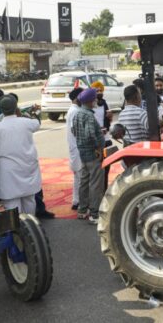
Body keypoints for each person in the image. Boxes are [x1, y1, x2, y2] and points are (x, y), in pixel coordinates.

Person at [0, 96, 42, 214]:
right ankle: (31, 227)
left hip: (9, 173)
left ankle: (17, 231)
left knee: (12, 206)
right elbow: (37, 123)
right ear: (16, 108)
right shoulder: (27, 123)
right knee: (29, 201)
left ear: (0, 109)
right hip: (28, 168)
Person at [72, 88, 106, 223]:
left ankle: (82, 210)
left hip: (83, 152)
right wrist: (98, 147)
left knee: (84, 181)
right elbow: (91, 133)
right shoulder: (89, 115)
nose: (96, 100)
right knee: (95, 183)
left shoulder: (77, 113)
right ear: (91, 101)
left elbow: (74, 131)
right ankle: (94, 213)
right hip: (92, 153)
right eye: (95, 98)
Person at [65, 87, 84, 211]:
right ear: (78, 98)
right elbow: (75, 130)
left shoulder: (74, 110)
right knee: (82, 177)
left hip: (75, 148)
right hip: (78, 148)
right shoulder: (76, 111)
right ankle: (80, 202)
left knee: (78, 177)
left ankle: (76, 201)